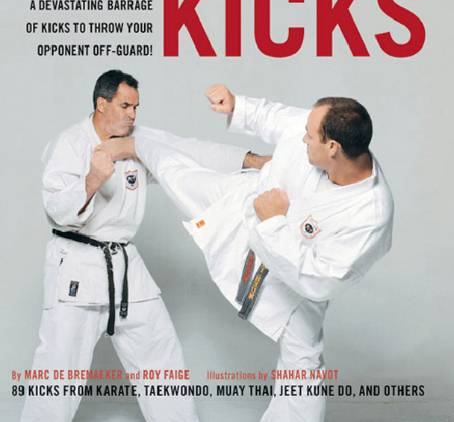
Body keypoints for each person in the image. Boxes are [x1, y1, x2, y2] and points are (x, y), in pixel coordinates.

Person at [120, 84, 394, 422]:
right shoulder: (320, 127)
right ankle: (137, 144)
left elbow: (319, 281)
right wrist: (237, 106)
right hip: (242, 203)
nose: (303, 137)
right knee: (181, 178)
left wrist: (274, 222)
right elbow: (275, 117)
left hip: (294, 270)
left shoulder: (369, 215)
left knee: (303, 359)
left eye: (309, 137)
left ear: (333, 147)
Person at [21, 71, 260, 422]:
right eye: (125, 106)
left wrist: (253, 161)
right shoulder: (69, 144)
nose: (133, 115)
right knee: (59, 368)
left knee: (161, 357)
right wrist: (92, 179)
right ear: (101, 104)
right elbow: (56, 209)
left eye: (136, 107)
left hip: (124, 264)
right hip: (76, 263)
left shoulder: (136, 142)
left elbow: (189, 151)